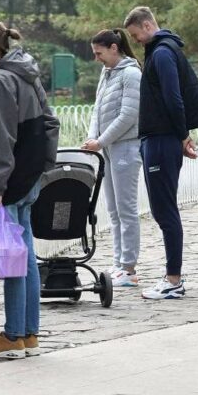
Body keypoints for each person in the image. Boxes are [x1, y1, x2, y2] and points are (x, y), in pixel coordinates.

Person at [0, 20, 60, 360]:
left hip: (11, 182)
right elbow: (51, 123)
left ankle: (12, 335)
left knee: (12, 261)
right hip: (31, 176)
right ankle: (29, 334)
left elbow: (1, 138)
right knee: (25, 257)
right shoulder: (28, 73)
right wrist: (43, 165)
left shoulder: (1, 81)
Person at [124, 6, 198, 301]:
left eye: (136, 36)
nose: (137, 42)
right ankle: (172, 277)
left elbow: (174, 97)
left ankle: (173, 279)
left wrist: (182, 134)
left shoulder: (161, 53)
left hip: (161, 139)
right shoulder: (160, 51)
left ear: (147, 26)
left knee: (165, 210)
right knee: (163, 209)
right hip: (159, 138)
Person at [83, 28, 142, 287]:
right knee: (113, 210)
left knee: (127, 209)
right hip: (106, 149)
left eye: (100, 52)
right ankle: (119, 262)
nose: (97, 58)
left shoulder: (131, 73)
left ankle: (129, 267)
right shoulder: (106, 73)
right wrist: (93, 137)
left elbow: (128, 115)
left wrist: (102, 140)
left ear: (114, 48)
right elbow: (98, 108)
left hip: (126, 148)